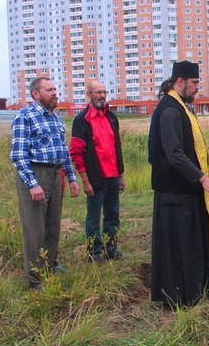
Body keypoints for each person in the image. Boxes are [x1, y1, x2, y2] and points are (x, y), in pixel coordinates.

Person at [148, 60, 209, 308]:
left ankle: (192, 292)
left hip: (184, 190)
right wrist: (202, 178)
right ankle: (178, 297)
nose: (196, 88)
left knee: (189, 243)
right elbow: (174, 153)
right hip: (174, 192)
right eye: (194, 83)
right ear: (179, 81)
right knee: (178, 246)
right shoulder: (170, 110)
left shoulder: (179, 107)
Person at [10, 77, 80, 290]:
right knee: (34, 230)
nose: (55, 93)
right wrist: (33, 184)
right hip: (35, 174)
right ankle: (35, 281)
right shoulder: (25, 117)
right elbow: (18, 156)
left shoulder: (56, 118)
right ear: (36, 94)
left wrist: (71, 178)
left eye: (55, 89)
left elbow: (63, 151)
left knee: (52, 228)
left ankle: (48, 269)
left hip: (54, 174)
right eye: (49, 90)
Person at [70, 80, 125, 263]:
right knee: (93, 218)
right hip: (95, 178)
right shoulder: (81, 120)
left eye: (104, 92)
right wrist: (85, 181)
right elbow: (77, 154)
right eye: (98, 92)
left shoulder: (112, 118)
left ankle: (111, 248)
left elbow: (117, 147)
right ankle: (94, 253)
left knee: (112, 214)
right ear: (89, 94)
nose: (102, 96)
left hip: (113, 176)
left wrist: (121, 175)